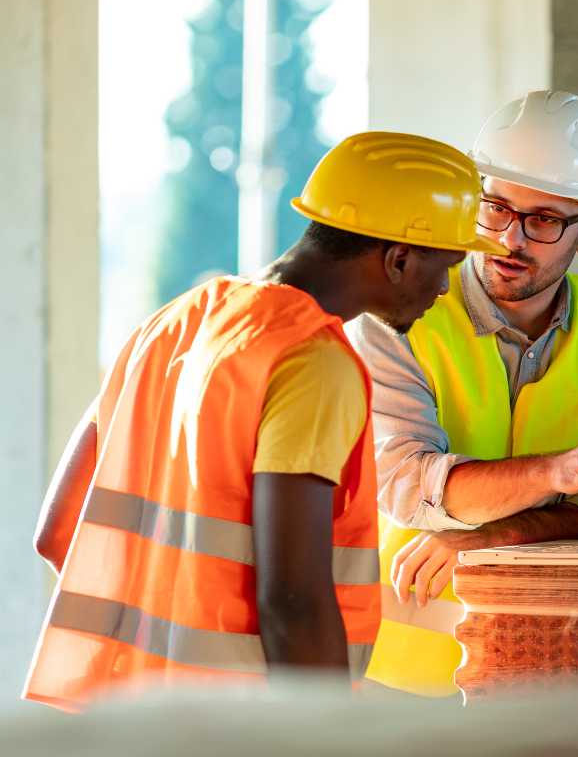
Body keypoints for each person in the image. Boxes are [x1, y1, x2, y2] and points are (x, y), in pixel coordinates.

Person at [23, 132, 504, 711]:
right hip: (234, 726)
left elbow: (57, 533)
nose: (445, 287)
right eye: (447, 264)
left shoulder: (171, 326)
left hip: (125, 716)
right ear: (400, 258)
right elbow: (294, 602)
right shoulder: (312, 360)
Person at [348, 91, 578, 697]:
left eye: (544, 219)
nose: (509, 238)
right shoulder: (395, 315)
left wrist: (500, 536)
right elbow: (404, 486)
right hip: (401, 667)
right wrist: (557, 474)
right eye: (494, 207)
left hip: (559, 664)